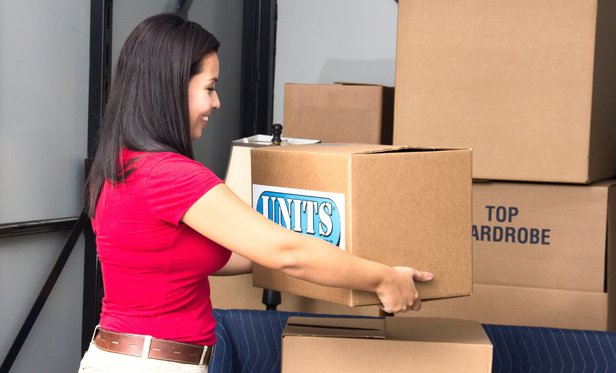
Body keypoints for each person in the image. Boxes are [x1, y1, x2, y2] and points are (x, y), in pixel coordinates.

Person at [79, 13, 433, 373]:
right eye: (210, 87)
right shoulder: (170, 176)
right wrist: (384, 280)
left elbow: (245, 254)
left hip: (122, 357)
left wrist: (346, 258)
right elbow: (287, 253)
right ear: (171, 87)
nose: (216, 103)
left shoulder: (120, 166)